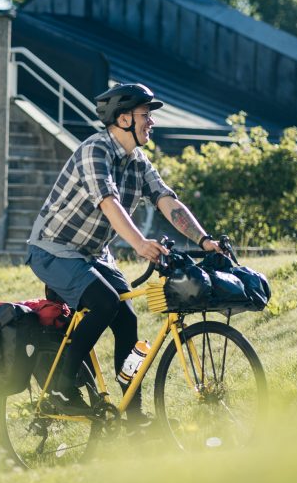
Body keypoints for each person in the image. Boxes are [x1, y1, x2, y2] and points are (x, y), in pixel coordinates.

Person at [26, 83, 223, 423]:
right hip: (53, 249)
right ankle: (59, 388)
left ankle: (133, 415)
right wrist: (140, 244)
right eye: (146, 115)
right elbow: (108, 202)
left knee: (127, 320)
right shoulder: (95, 151)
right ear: (123, 118)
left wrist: (205, 240)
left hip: (93, 253)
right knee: (104, 303)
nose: (152, 122)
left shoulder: (138, 161)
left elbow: (166, 200)